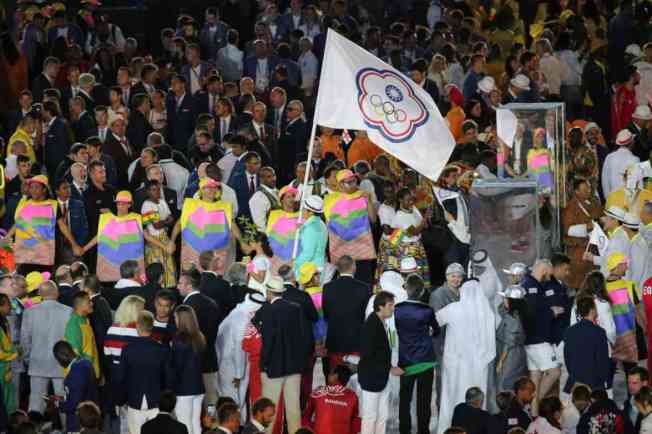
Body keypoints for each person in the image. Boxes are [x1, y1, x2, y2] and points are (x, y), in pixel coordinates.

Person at [436, 280, 496, 434]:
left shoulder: (453, 308)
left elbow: (435, 322)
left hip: (456, 364)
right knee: (475, 396)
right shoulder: (487, 313)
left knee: (452, 397)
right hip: (477, 365)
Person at [252, 277, 308, 434]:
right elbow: (303, 337)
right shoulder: (295, 308)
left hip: (272, 366)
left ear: (269, 292)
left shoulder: (267, 310)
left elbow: (266, 338)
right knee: (293, 408)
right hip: (293, 366)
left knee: (268, 410)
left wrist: (264, 363)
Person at [394, 274, 439, 434]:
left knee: (405, 399)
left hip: (405, 360)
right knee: (424, 399)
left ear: (406, 290)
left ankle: (404, 430)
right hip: (425, 360)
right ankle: (423, 431)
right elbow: (436, 330)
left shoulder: (397, 309)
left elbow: (396, 329)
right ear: (421, 292)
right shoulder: (427, 310)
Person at [115, 310, 171, 434]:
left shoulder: (127, 350)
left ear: (137, 326)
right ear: (152, 326)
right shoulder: (162, 350)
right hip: (157, 401)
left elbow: (120, 378)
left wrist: (120, 400)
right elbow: (168, 379)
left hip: (134, 400)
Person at [20, 280, 71, 413]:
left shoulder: (29, 312)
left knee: (36, 402)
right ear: (57, 293)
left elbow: (24, 340)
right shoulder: (68, 311)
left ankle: (33, 425)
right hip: (62, 362)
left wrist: (27, 359)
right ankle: (66, 425)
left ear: (40, 293)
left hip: (37, 361)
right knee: (63, 400)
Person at [358, 291, 404, 434]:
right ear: (380, 306)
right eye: (390, 305)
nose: (393, 308)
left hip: (381, 377)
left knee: (382, 416)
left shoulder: (382, 322)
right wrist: (390, 368)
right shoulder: (371, 325)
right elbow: (367, 353)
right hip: (371, 378)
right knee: (370, 417)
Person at [176, 268, 222, 410]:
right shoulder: (212, 303)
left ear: (189, 286)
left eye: (180, 283)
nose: (177, 286)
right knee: (211, 403)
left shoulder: (185, 309)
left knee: (191, 409)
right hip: (210, 361)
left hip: (190, 366)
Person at [324, 170, 377, 283]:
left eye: (354, 181)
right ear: (340, 185)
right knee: (345, 283)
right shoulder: (330, 200)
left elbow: (373, 219)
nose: (353, 184)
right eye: (349, 182)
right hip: (343, 251)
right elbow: (329, 224)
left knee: (365, 283)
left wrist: (368, 201)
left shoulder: (363, 196)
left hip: (363, 250)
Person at [521, 259, 560, 415]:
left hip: (532, 339)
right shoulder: (531, 286)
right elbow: (531, 313)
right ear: (544, 270)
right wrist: (552, 312)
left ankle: (534, 417)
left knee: (535, 378)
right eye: (549, 274)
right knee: (555, 372)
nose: (549, 278)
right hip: (538, 339)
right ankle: (532, 402)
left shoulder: (532, 284)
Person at [323, 255, 370, 370]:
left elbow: (326, 313)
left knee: (335, 377)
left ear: (338, 268)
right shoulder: (364, 287)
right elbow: (366, 315)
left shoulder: (327, 287)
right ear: (353, 267)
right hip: (356, 340)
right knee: (355, 377)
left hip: (335, 340)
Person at [430, 262, 464, 405]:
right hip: (442, 343)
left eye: (459, 276)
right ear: (446, 276)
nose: (456, 279)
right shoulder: (438, 295)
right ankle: (441, 407)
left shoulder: (463, 293)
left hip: (458, 343)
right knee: (443, 377)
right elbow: (437, 322)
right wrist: (442, 345)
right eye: (453, 276)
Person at [563, 296, 610, 393]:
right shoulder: (599, 332)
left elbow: (567, 358)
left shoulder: (569, 331)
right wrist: (604, 381)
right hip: (594, 384)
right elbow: (602, 361)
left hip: (575, 382)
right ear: (592, 310)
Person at [170, 305, 205, 434]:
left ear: (181, 319)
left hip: (183, 389)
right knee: (196, 423)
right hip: (198, 387)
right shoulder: (199, 337)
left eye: (176, 317)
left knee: (184, 424)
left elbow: (177, 366)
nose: (174, 320)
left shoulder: (179, 340)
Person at [52, 340, 99, 434]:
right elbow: (80, 393)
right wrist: (61, 399)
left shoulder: (75, 373)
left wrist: (57, 404)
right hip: (91, 420)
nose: (58, 363)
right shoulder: (86, 363)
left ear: (62, 356)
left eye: (57, 359)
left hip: (78, 424)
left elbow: (75, 404)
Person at [302, 364, 360, 434]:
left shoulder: (319, 391)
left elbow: (306, 417)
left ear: (336, 376)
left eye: (330, 373)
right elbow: (356, 422)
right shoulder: (353, 396)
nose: (328, 375)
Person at [495, 284, 528, 393]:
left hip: (510, 355)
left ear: (512, 301)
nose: (503, 300)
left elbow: (508, 343)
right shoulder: (519, 313)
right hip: (518, 353)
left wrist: (500, 362)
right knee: (513, 384)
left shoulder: (512, 318)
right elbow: (500, 309)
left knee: (504, 386)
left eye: (505, 298)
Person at [64, 291, 100, 379]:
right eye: (89, 301)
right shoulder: (74, 324)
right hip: (82, 376)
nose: (92, 303)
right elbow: (74, 354)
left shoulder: (85, 320)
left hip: (90, 373)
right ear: (79, 305)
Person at [294, 195, 328, 277]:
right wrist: (303, 229)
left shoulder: (310, 228)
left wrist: (295, 263)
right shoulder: (321, 224)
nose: (302, 211)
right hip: (318, 267)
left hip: (310, 271)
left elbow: (308, 253)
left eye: (304, 209)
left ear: (311, 212)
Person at [623, 367, 649, 433]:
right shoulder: (626, 403)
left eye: (634, 383)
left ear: (644, 383)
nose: (630, 386)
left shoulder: (649, 405)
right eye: (629, 382)